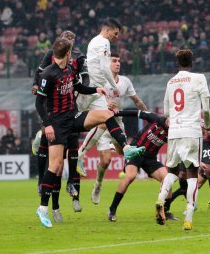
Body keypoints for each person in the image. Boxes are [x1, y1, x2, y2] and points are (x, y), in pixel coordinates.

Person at [35, 37, 145, 228]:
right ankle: (43, 209)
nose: (73, 55)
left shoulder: (70, 69)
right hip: (57, 124)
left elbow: (78, 87)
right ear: (67, 53)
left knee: (106, 115)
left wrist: (96, 89)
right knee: (55, 166)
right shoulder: (48, 74)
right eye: (71, 52)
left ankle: (126, 147)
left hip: (73, 116)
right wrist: (47, 124)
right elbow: (39, 102)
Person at [31, 30, 88, 213]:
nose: (69, 43)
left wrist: (85, 89)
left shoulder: (78, 57)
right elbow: (40, 73)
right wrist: (36, 84)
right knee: (55, 161)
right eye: (66, 39)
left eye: (71, 40)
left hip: (71, 105)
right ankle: (44, 187)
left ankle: (71, 183)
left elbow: (83, 77)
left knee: (71, 147)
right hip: (53, 109)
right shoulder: (52, 56)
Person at [155, 49, 210, 230]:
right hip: (192, 131)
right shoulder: (199, 78)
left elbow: (166, 111)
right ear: (192, 61)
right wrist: (207, 126)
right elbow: (207, 107)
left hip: (174, 132)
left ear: (177, 62)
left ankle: (161, 198)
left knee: (171, 171)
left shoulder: (171, 82)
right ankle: (188, 216)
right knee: (192, 173)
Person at [88, 53, 147, 205]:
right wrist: (104, 105)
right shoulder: (100, 80)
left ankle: (115, 146)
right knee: (106, 160)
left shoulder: (125, 81)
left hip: (118, 123)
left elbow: (136, 100)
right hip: (102, 123)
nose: (118, 63)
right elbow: (90, 101)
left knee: (122, 152)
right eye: (114, 61)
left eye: (119, 61)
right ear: (107, 64)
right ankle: (98, 185)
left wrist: (149, 115)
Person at [76, 18, 124, 176]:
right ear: (108, 30)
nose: (115, 37)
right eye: (115, 33)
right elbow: (104, 68)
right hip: (89, 90)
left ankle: (80, 154)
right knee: (66, 121)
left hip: (97, 91)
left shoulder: (96, 41)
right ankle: (40, 137)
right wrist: (115, 87)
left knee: (106, 119)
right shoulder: (103, 42)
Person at [164, 100, 210, 217]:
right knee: (182, 176)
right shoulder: (187, 105)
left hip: (206, 144)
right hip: (189, 143)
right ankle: (191, 204)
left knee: (208, 170)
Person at [108, 109, 170, 222]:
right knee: (130, 176)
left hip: (150, 158)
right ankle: (112, 209)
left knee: (167, 179)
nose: (171, 122)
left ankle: (165, 212)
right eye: (170, 119)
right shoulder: (156, 118)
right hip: (135, 151)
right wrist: (117, 113)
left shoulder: (174, 133)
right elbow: (136, 113)